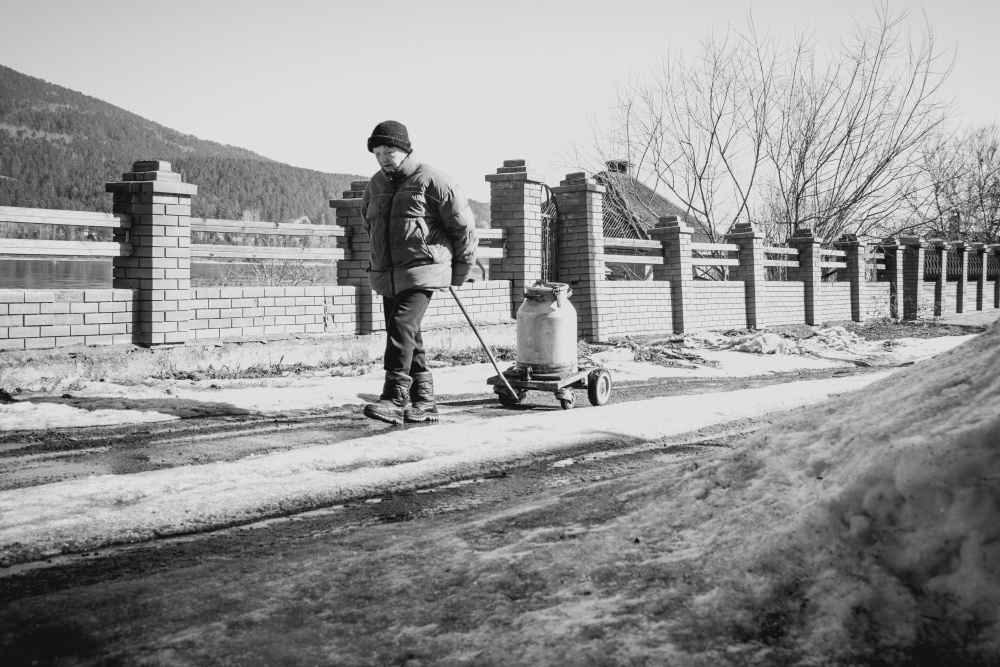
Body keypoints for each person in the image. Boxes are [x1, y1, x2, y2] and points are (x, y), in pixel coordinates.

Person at [360, 120, 478, 425]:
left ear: (405, 149)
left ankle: (393, 398)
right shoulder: (375, 185)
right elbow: (371, 227)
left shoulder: (433, 181)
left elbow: (464, 229)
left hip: (423, 271)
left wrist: (459, 272)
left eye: (389, 151)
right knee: (409, 334)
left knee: (401, 327)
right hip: (389, 275)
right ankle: (425, 402)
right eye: (378, 153)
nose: (383, 158)